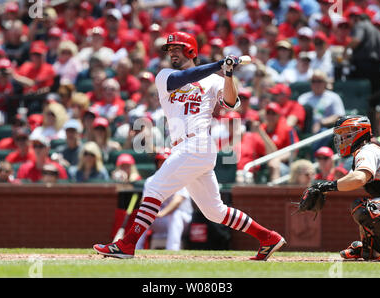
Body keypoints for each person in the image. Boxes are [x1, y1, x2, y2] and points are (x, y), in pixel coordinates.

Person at [93, 31, 286, 261]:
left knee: (153, 187)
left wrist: (227, 74)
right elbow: (182, 79)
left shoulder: (214, 79)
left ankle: (127, 244)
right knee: (215, 211)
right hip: (183, 147)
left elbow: (232, 104)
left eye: (177, 49)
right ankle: (268, 237)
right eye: (170, 50)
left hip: (198, 143)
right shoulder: (165, 76)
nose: (172, 53)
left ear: (191, 50)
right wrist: (218, 64)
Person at [301, 115, 380, 261]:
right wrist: (323, 188)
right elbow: (349, 180)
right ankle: (370, 250)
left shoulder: (367, 150)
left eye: (346, 134)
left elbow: (359, 178)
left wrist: (325, 186)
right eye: (340, 135)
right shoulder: (365, 151)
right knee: (368, 208)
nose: (341, 139)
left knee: (365, 207)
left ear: (360, 132)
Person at [136, 149, 193, 251]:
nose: (163, 164)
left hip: (183, 220)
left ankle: (172, 250)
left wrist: (161, 213)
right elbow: (144, 202)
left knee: (175, 215)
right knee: (143, 215)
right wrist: (151, 212)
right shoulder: (151, 181)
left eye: (166, 161)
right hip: (160, 219)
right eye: (160, 161)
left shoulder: (180, 178)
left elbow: (177, 201)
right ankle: (135, 248)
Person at [297, 70, 345, 135]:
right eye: (313, 81)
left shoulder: (333, 97)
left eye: (319, 81)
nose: (316, 84)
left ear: (325, 83)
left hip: (324, 128)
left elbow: (339, 116)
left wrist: (321, 123)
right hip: (305, 127)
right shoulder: (303, 98)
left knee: (323, 131)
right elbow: (297, 114)